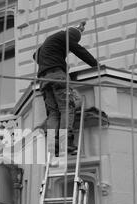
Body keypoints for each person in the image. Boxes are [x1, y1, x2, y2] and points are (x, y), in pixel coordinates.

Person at [33, 21, 99, 156]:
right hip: (58, 77)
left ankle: (53, 145)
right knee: (66, 108)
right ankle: (65, 143)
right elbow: (80, 51)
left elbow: (35, 55)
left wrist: (57, 61)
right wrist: (96, 65)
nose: (68, 51)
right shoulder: (65, 36)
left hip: (43, 81)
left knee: (53, 113)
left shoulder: (47, 44)